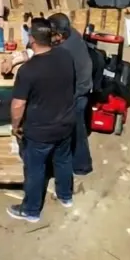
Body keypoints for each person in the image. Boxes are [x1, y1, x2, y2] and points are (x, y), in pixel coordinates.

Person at [5, 17, 76, 223]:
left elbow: (18, 105)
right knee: (63, 160)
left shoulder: (28, 71)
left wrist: (15, 126)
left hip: (40, 130)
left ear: (32, 41)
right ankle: (66, 196)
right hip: (65, 122)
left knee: (35, 170)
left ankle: (31, 210)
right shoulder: (65, 55)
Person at [49, 12, 94, 176]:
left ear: (59, 35)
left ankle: (82, 165)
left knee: (76, 132)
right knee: (76, 130)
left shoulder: (64, 50)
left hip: (77, 94)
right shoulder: (72, 34)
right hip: (83, 87)